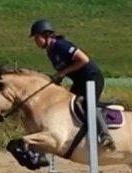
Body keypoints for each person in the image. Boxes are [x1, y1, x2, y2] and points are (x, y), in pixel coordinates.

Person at [29, 19, 115, 149]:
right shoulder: (51, 51)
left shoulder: (61, 45)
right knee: (66, 104)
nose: (35, 41)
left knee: (87, 104)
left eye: (37, 37)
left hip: (92, 78)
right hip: (80, 81)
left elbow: (83, 60)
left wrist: (63, 73)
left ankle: (105, 135)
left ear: (46, 35)